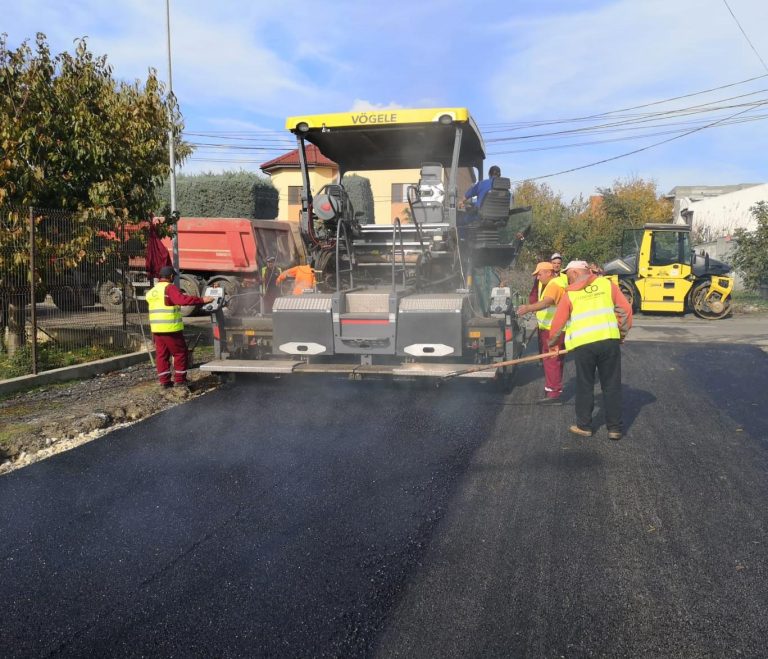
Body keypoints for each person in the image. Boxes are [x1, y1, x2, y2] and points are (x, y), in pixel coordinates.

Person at [548, 260, 633, 440]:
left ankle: (584, 426)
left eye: (568, 273)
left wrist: (553, 344)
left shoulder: (570, 294)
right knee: (611, 385)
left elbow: (558, 324)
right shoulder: (606, 284)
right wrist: (621, 334)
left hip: (584, 345)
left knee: (585, 384)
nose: (567, 278)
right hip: (609, 341)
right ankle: (614, 429)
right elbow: (625, 310)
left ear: (577, 272)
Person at [145, 266, 214, 389]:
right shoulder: (169, 288)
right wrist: (202, 300)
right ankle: (180, 380)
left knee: (162, 355)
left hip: (157, 329)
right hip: (170, 328)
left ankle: (165, 382)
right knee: (180, 353)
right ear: (171, 276)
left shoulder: (152, 291)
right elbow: (181, 300)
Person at [516, 261, 568, 403]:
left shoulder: (554, 285)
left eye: (539, 274)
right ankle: (553, 388)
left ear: (548, 272)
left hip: (553, 330)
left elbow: (546, 302)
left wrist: (528, 308)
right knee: (554, 359)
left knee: (551, 359)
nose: (538, 277)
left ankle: (553, 394)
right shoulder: (551, 283)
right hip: (552, 328)